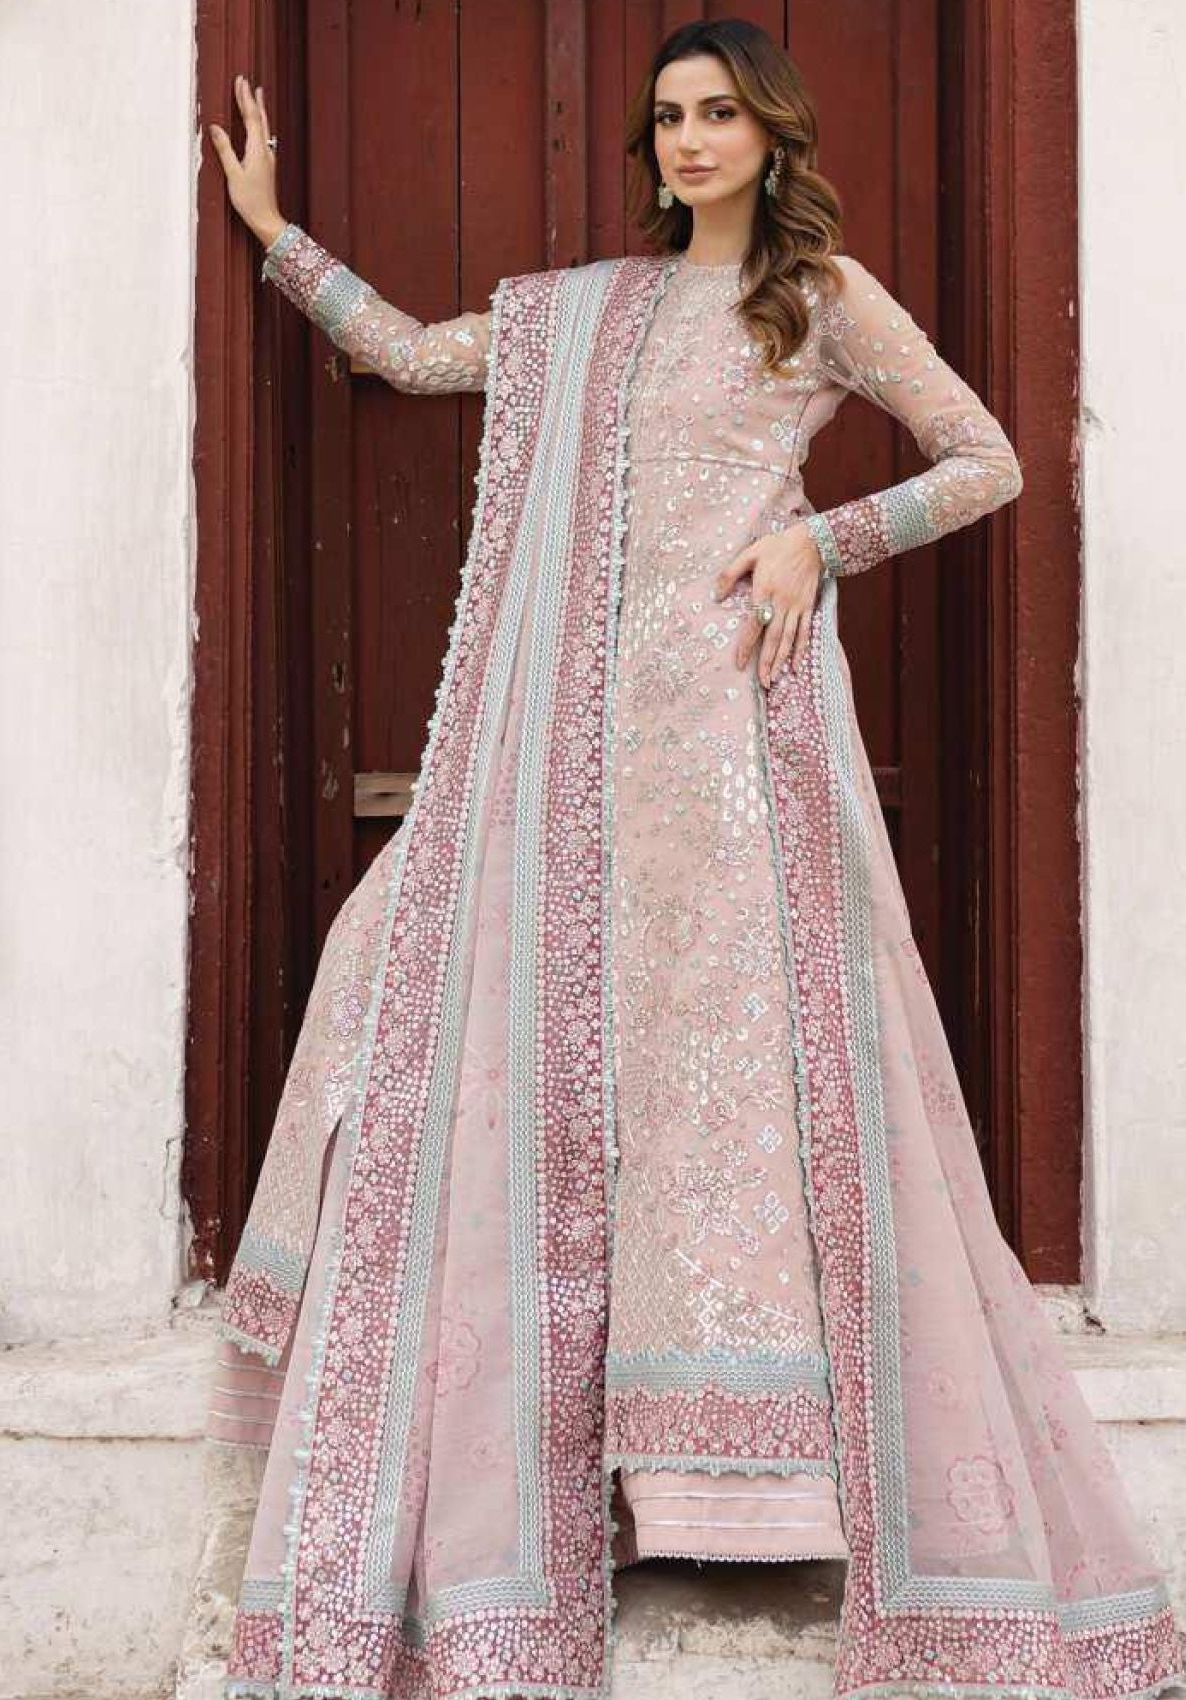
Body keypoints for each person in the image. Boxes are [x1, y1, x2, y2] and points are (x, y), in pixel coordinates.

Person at [205, 18, 1184, 1700]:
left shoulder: (820, 297)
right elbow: (417, 359)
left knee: (717, 1080)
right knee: (440, 998)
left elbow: (987, 461)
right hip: (555, 755)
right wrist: (278, 235)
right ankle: (544, 1466)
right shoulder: (585, 311)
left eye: (720, 113)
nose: (689, 140)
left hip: (732, 745)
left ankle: (741, 1475)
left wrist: (820, 540)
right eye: (669, 117)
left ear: (772, 132)